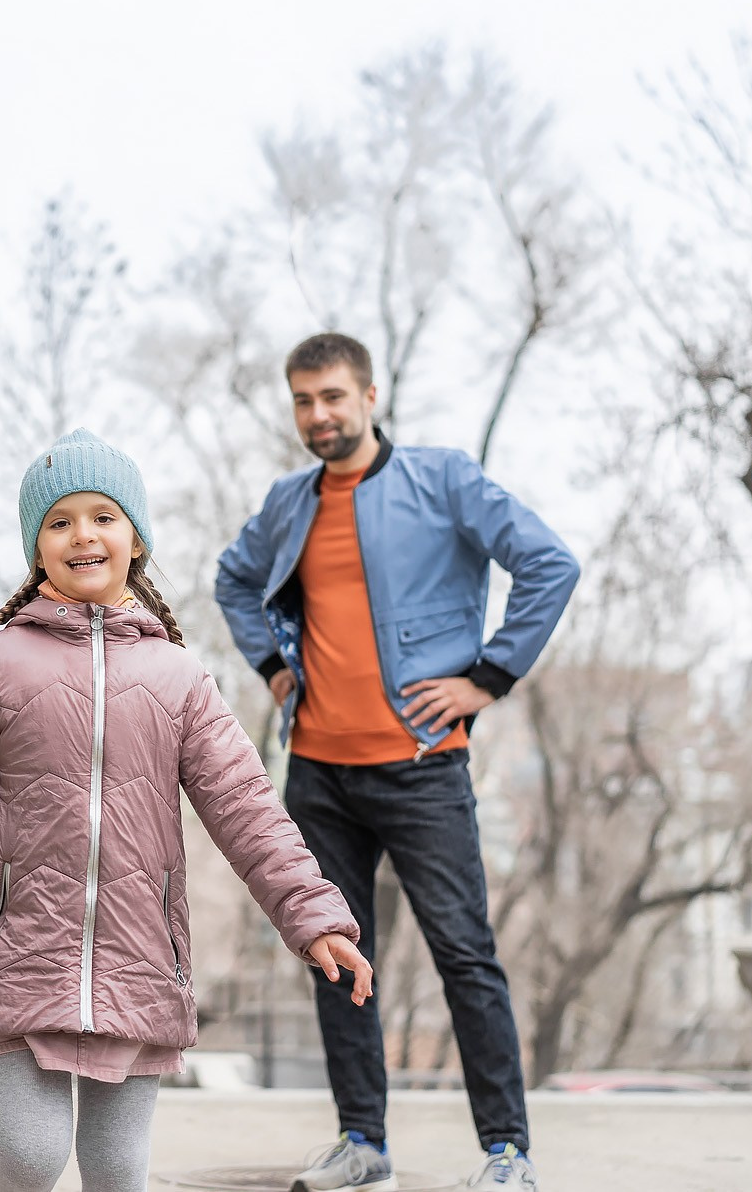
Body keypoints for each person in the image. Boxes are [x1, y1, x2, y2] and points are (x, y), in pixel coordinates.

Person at [0, 429, 373, 1192]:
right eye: (59, 521)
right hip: (18, 954)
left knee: (118, 1168)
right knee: (30, 1152)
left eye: (103, 516)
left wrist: (314, 917)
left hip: (137, 957)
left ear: (136, 540)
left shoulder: (178, 675)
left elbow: (249, 810)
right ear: (37, 548)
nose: (83, 533)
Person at [215, 333, 580, 1192]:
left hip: (421, 768)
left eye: (334, 396)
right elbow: (234, 580)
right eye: (304, 401)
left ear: (370, 396)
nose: (319, 415)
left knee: (464, 953)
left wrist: (485, 677)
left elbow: (549, 563)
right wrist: (275, 666)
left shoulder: (441, 479)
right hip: (320, 772)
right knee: (338, 956)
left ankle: (507, 1155)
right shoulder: (288, 503)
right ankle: (361, 1140)